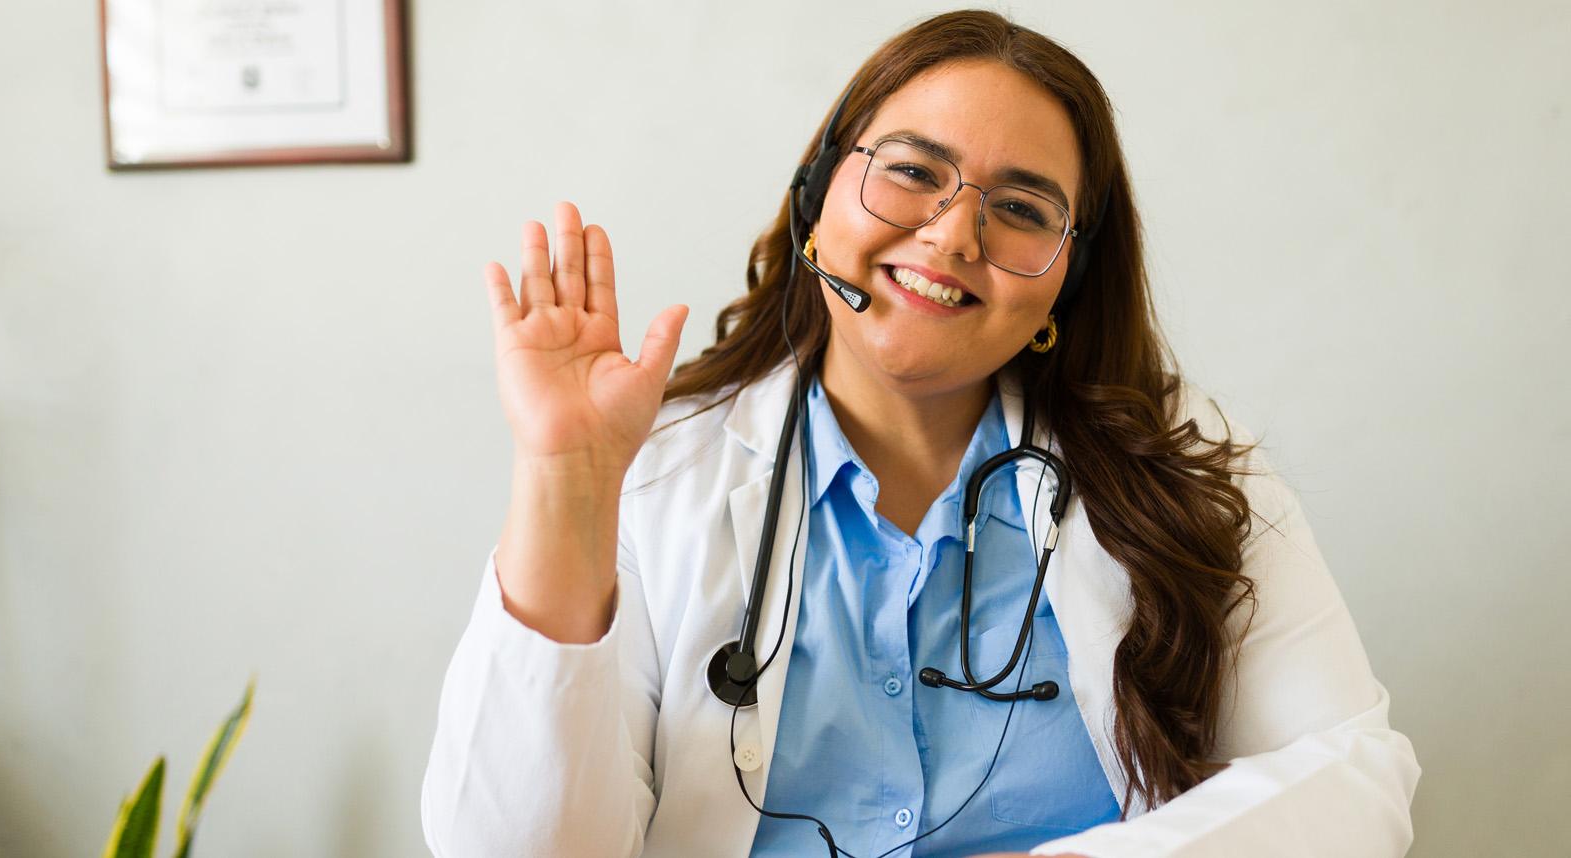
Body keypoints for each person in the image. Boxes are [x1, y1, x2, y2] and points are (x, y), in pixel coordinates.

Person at [420, 10, 1420, 858]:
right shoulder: (654, 474)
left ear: (1067, 274)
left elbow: (1354, 782)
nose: (951, 235)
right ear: (817, 198)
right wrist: (569, 480)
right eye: (912, 172)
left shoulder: (1187, 461)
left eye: (1022, 207)